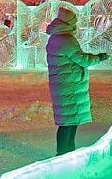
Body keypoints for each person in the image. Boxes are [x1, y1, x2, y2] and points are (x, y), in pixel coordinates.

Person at [46, 8, 108, 155]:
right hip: (69, 85)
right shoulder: (66, 39)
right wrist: (99, 57)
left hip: (64, 83)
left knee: (68, 122)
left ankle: (66, 151)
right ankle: (63, 153)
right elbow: (82, 60)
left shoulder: (56, 37)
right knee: (68, 124)